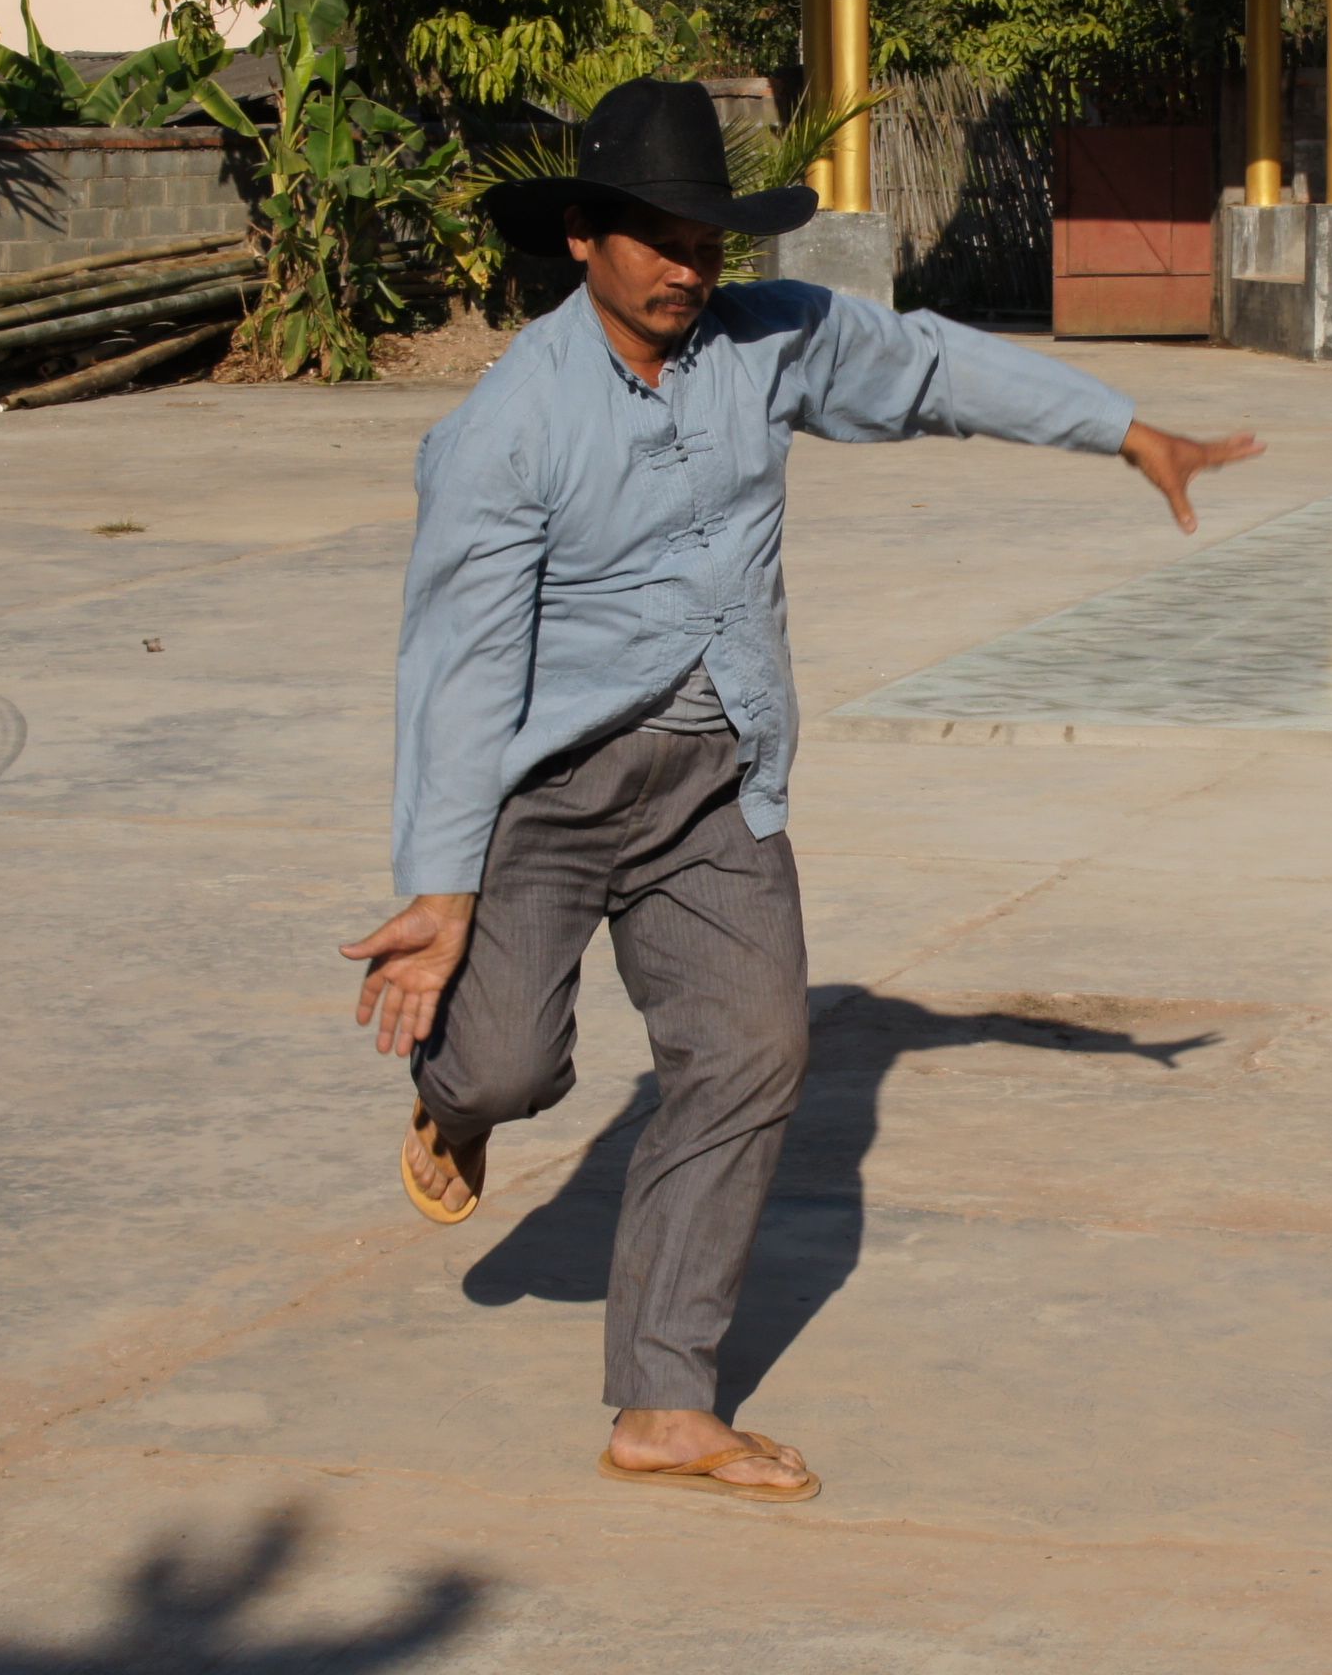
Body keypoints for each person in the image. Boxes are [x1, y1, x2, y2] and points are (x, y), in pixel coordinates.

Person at [340, 80, 1260, 1502]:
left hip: (717, 783)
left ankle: (663, 1402)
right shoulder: (509, 428)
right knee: (509, 1063)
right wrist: (441, 889)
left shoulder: (762, 345)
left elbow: (928, 365)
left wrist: (1123, 429)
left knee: (753, 1054)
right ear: (582, 236)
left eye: (706, 239)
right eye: (656, 238)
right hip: (550, 794)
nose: (686, 268)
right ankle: (458, 1093)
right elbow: (457, 666)